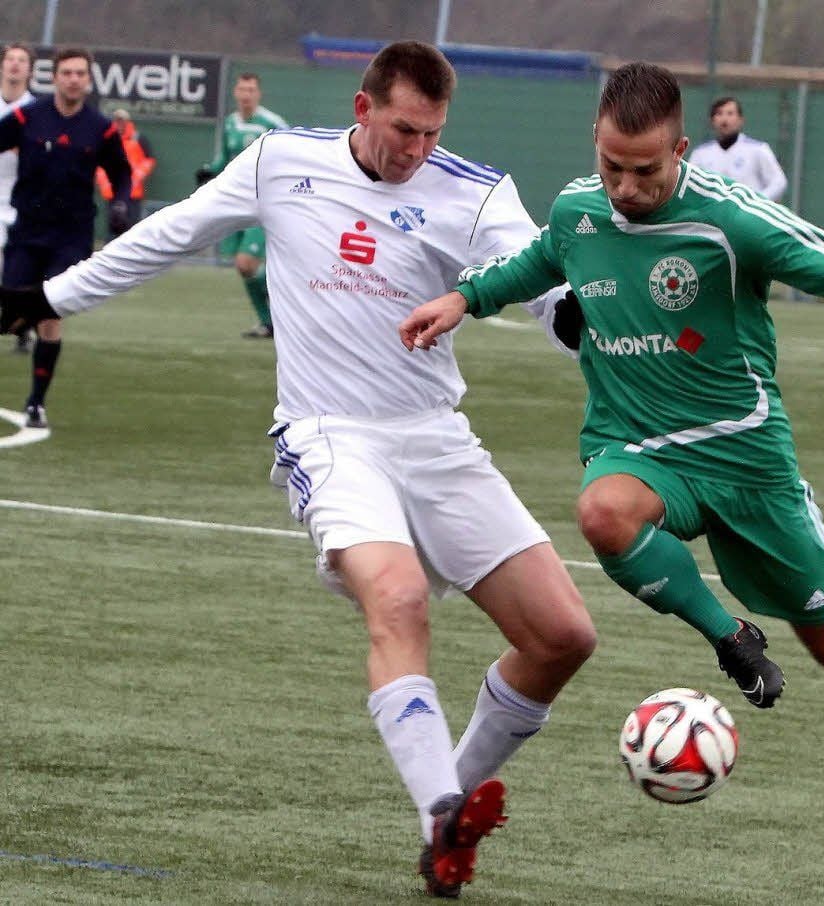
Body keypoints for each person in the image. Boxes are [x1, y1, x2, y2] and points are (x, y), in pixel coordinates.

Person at [0, 41, 596, 898]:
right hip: (329, 434)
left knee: (562, 637)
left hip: (435, 438)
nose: (415, 151)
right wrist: (47, 298)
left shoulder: (476, 193)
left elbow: (550, 298)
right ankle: (440, 804)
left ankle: (447, 808)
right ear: (363, 108)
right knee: (394, 597)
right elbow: (172, 233)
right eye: (402, 129)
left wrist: (609, 329)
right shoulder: (282, 162)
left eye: (431, 133)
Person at [401, 62, 824, 712]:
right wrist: (465, 298)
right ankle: (730, 637)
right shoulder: (579, 213)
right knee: (603, 513)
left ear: (679, 152)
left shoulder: (731, 223)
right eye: (612, 167)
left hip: (744, 457)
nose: (625, 187)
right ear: (596, 141)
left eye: (645, 171)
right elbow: (538, 261)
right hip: (636, 444)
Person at [0, 46, 130, 429]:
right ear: (54, 77)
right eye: (67, 72)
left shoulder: (100, 128)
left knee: (51, 312)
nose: (73, 79)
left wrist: (120, 204)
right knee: (12, 314)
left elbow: (122, 174)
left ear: (88, 81)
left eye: (80, 74)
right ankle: (20, 322)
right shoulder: (27, 117)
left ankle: (36, 404)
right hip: (26, 232)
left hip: (71, 237)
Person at [195, 73, 287, 339]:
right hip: (237, 203)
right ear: (236, 93)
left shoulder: (272, 124)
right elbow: (223, 159)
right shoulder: (230, 124)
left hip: (264, 203)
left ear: (258, 94)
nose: (246, 94)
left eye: (251, 90)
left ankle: (283, 294)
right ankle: (267, 323)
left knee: (246, 263)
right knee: (243, 267)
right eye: (242, 89)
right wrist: (208, 171)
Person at [0, 41, 35, 354]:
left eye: (21, 60)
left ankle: (22, 325)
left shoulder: (35, 113)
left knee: (17, 270)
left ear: (29, 69)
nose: (14, 65)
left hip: (20, 201)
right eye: (9, 59)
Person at [688, 95, 787, 201]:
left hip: (747, 214)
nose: (724, 119)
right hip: (712, 214)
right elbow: (690, 184)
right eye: (719, 113)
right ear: (712, 120)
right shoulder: (700, 153)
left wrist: (758, 200)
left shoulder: (758, 149)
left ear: (741, 120)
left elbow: (779, 182)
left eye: (730, 113)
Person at [95, 109, 156, 239]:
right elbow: (100, 164)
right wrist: (104, 182)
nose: (119, 124)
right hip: (113, 194)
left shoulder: (138, 139)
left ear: (127, 122)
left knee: (132, 231)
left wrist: (137, 177)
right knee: (112, 231)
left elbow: (149, 160)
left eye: (122, 121)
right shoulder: (107, 139)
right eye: (116, 121)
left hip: (133, 194)